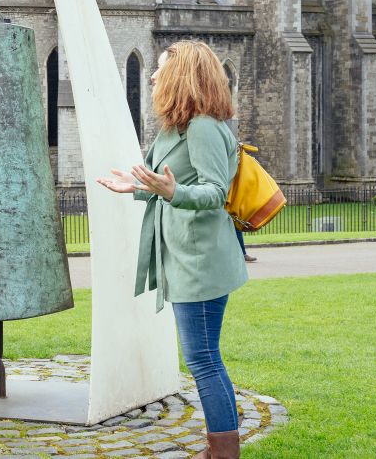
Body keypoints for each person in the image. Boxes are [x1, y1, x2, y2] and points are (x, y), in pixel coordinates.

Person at [97, 41, 248, 459]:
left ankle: (223, 453)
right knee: (204, 357)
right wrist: (139, 187)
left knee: (203, 359)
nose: (151, 77)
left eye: (160, 69)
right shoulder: (177, 126)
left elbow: (215, 192)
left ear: (182, 76)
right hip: (185, 257)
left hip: (200, 263)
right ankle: (221, 448)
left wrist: (174, 191)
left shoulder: (202, 126)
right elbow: (168, 185)